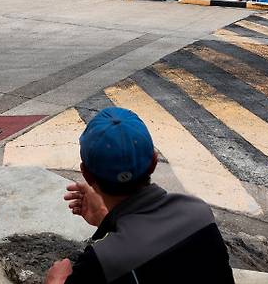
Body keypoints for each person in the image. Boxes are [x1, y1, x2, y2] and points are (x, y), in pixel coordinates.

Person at [45, 106, 234, 284]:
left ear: (86, 174)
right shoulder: (199, 213)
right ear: (153, 162)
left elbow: (124, 252)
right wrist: (106, 220)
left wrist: (55, 280)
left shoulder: (101, 261)